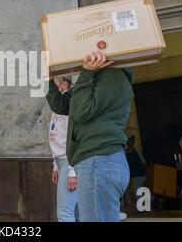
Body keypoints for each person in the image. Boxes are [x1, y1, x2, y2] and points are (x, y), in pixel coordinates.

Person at [46, 50, 133, 222]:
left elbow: (81, 111)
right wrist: (48, 78)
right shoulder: (95, 76)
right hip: (93, 161)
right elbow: (62, 105)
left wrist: (86, 73)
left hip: (99, 160)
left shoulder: (113, 75)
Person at [49, 77, 78, 222]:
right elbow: (57, 137)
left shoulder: (69, 104)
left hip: (69, 161)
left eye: (55, 84)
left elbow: (75, 137)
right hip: (61, 162)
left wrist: (72, 171)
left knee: (65, 213)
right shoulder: (56, 108)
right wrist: (55, 166)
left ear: (65, 84)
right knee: (76, 212)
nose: (53, 89)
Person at [124, 135, 147, 215]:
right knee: (139, 190)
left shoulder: (130, 154)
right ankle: (147, 204)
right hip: (142, 174)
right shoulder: (135, 152)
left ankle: (142, 209)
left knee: (137, 190)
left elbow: (128, 164)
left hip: (138, 175)